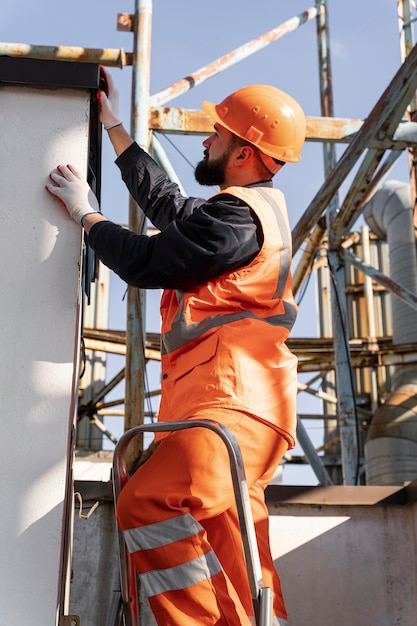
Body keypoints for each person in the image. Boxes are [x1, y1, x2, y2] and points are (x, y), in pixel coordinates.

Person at [46, 68, 306, 626]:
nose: (206, 140)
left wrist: (87, 216)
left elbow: (148, 261)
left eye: (218, 132)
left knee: (148, 502)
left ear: (243, 152)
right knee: (233, 543)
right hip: (246, 408)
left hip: (230, 403)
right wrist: (113, 125)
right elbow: (169, 206)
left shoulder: (237, 221)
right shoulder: (240, 216)